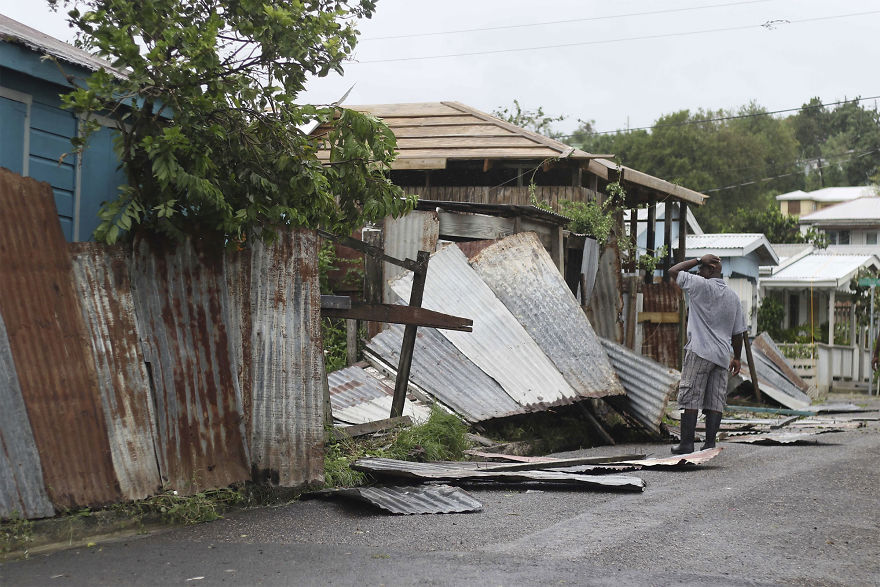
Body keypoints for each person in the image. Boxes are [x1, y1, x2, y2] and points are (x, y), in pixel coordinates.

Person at [668, 253, 748, 454]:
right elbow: (738, 333)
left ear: (710, 270)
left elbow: (673, 271)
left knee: (691, 396)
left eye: (701, 268)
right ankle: (709, 443)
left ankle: (686, 444)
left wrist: (696, 259)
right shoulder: (733, 297)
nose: (698, 272)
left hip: (700, 351)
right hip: (721, 356)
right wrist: (736, 357)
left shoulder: (700, 285)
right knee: (715, 400)